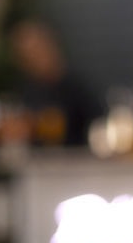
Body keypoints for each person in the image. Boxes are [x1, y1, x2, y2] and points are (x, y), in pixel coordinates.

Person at [7, 20, 101, 148]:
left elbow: (99, 128)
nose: (33, 60)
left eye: (36, 51)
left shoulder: (77, 89)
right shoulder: (27, 90)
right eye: (26, 56)